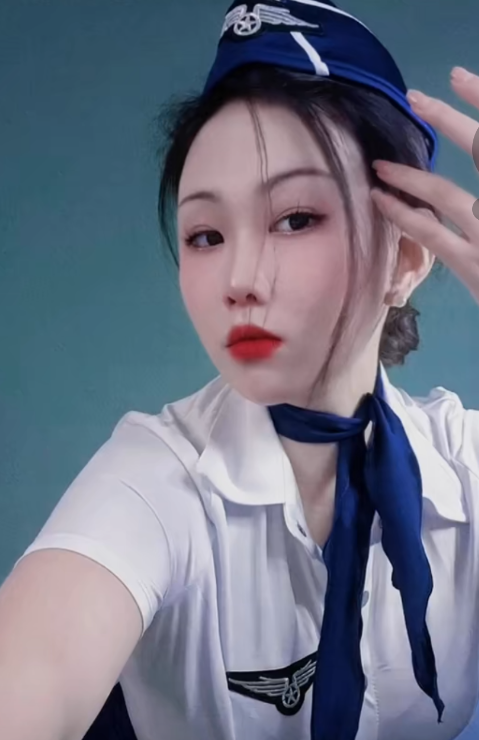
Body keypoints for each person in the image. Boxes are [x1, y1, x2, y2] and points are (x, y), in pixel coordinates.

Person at [1, 1, 479, 739]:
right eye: (205, 234)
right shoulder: (157, 481)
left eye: (295, 218)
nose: (239, 279)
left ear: (406, 257)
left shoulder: (465, 469)